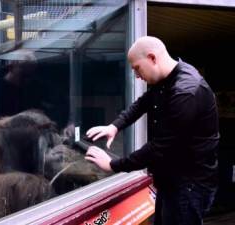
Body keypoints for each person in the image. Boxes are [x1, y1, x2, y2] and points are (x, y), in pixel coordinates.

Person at [85, 36, 219, 225]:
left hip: (189, 186)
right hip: (172, 180)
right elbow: (142, 103)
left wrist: (114, 165)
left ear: (152, 58)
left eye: (137, 68)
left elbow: (160, 148)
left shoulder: (185, 92)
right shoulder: (167, 79)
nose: (137, 76)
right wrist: (114, 126)